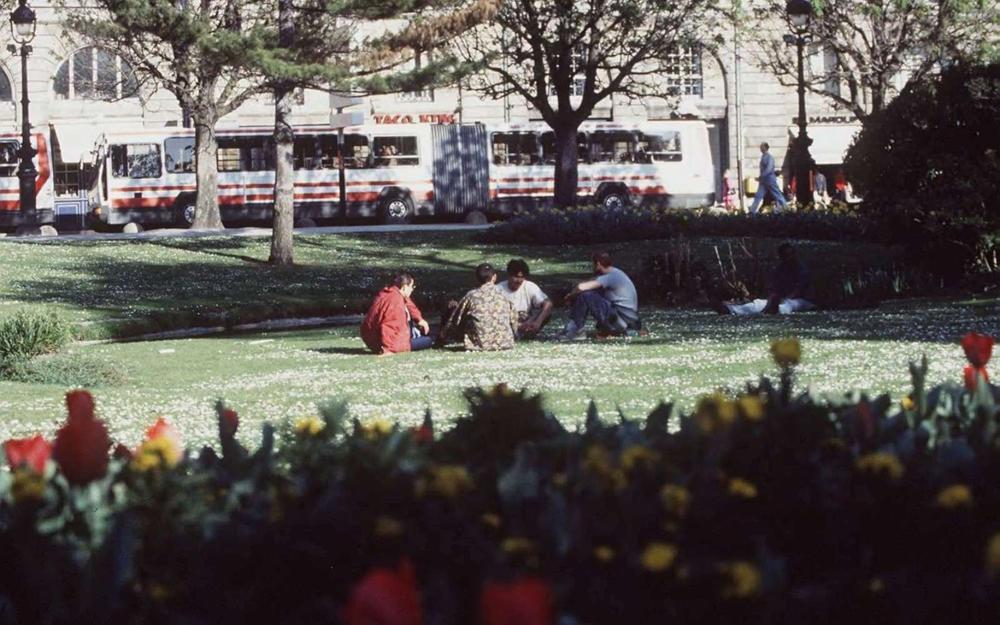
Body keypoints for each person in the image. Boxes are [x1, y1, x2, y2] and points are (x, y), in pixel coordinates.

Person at [559, 251, 641, 340]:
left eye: (593, 264)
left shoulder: (610, 277)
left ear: (598, 264)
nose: (593, 267)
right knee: (588, 293)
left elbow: (581, 287)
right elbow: (590, 281)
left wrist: (569, 297)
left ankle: (575, 331)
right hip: (629, 322)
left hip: (622, 322)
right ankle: (572, 329)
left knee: (586, 295)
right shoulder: (615, 273)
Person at [714, 243, 815, 315]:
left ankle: (773, 309)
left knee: (788, 305)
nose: (789, 257)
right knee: (759, 303)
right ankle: (732, 310)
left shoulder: (802, 270)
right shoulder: (779, 270)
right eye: (785, 256)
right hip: (780, 298)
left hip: (801, 300)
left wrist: (783, 299)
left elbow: (798, 290)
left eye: (790, 254)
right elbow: (773, 288)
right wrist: (773, 297)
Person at [439, 263, 517, 351]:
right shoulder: (504, 295)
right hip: (505, 343)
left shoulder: (472, 296)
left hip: (480, 345)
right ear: (494, 277)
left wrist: (442, 335)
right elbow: (514, 321)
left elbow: (455, 319)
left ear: (476, 278)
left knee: (455, 308)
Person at [360, 272, 432, 355]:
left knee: (416, 332)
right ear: (404, 287)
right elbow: (388, 325)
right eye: (412, 286)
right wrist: (388, 349)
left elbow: (408, 303)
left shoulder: (389, 293)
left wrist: (420, 319)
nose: (412, 289)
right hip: (390, 344)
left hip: (372, 340)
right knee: (428, 340)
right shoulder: (395, 302)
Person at [497, 258, 553, 339]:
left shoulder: (529, 286)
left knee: (546, 312)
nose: (519, 280)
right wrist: (517, 326)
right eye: (516, 277)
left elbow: (548, 304)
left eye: (522, 277)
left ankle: (528, 334)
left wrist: (538, 322)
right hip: (507, 323)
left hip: (527, 322)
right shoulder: (499, 289)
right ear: (509, 275)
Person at [748, 142, 788, 215]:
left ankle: (785, 208)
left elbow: (769, 169)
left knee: (777, 194)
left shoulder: (770, 157)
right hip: (764, 181)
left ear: (765, 148)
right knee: (758, 195)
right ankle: (752, 211)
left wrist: (761, 176)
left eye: (761, 147)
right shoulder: (763, 156)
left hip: (769, 180)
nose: (760, 148)